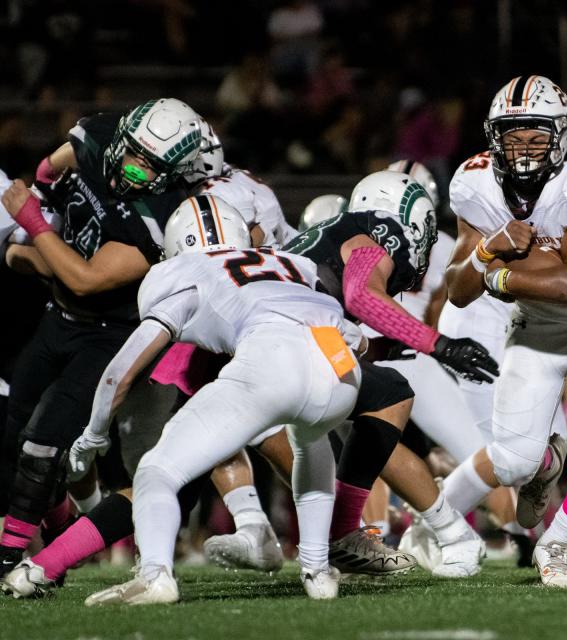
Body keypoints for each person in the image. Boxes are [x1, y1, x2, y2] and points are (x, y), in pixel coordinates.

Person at [68, 196, 358, 604]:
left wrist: (94, 433)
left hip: (273, 361)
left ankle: (154, 576)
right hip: (340, 365)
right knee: (311, 440)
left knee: (156, 470)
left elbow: (122, 369)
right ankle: (317, 569)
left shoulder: (182, 270)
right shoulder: (288, 261)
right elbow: (355, 336)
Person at [440, 75, 567, 587]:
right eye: (513, 136)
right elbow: (457, 289)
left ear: (561, 135)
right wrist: (488, 250)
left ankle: (554, 545)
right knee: (512, 461)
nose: (525, 147)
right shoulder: (475, 183)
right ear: (494, 138)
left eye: (536, 135)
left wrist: (500, 274)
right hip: (534, 327)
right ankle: (520, 478)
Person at [0, 99, 201, 577]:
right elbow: (50, 166)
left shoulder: (162, 215)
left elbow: (86, 280)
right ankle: (63, 524)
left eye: (152, 164)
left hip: (110, 336)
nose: (135, 168)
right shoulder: (99, 137)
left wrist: (32, 222)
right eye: (133, 153)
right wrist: (46, 194)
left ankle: (11, 555)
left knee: (44, 444)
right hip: (58, 319)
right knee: (14, 436)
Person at [285, 170, 497, 577]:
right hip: (287, 343)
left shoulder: (326, 233)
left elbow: (325, 315)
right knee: (390, 395)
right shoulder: (373, 232)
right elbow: (361, 295)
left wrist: (379, 347)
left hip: (276, 340)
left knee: (319, 431)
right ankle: (341, 535)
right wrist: (440, 345)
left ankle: (313, 544)